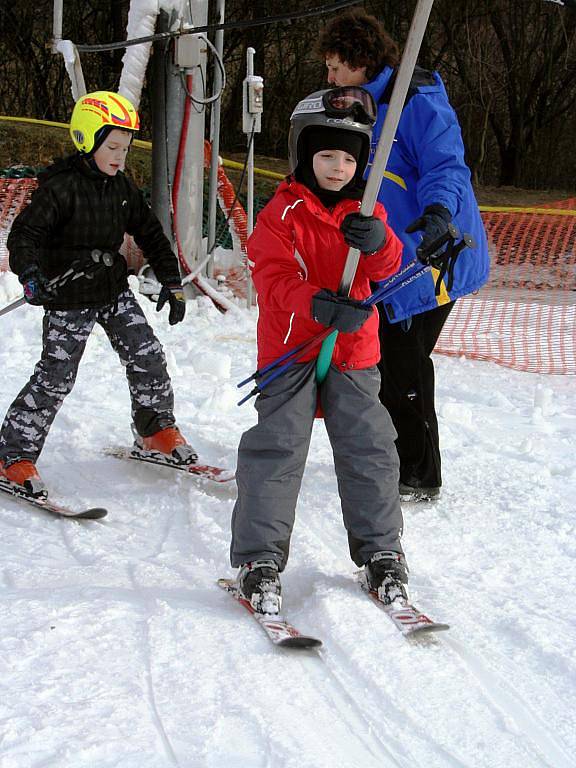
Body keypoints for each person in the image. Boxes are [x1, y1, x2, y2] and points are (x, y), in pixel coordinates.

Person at [231, 86, 409, 615]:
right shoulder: (282, 213)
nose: (338, 167)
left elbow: (388, 268)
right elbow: (273, 277)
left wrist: (378, 243)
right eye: (327, 155)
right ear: (304, 155)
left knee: (370, 450)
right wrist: (317, 304)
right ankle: (258, 559)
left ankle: (381, 552)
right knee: (277, 451)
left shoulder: (367, 210)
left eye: (349, 157)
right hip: (293, 349)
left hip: (354, 352)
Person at [318, 9, 490, 501]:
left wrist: (439, 214)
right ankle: (397, 458)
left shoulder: (417, 102)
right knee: (390, 360)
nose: (329, 77)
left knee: (402, 361)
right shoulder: (360, 103)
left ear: (359, 59)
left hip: (433, 254)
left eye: (335, 66)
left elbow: (447, 168)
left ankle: (417, 473)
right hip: (390, 254)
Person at [0, 90, 195, 498]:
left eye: (125, 148)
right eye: (113, 147)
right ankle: (12, 454)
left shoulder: (121, 186)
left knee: (147, 354)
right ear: (87, 140)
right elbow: (24, 235)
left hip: (110, 290)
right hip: (68, 294)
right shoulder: (60, 188)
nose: (121, 156)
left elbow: (152, 234)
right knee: (55, 376)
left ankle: (154, 430)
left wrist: (172, 282)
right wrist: (30, 273)